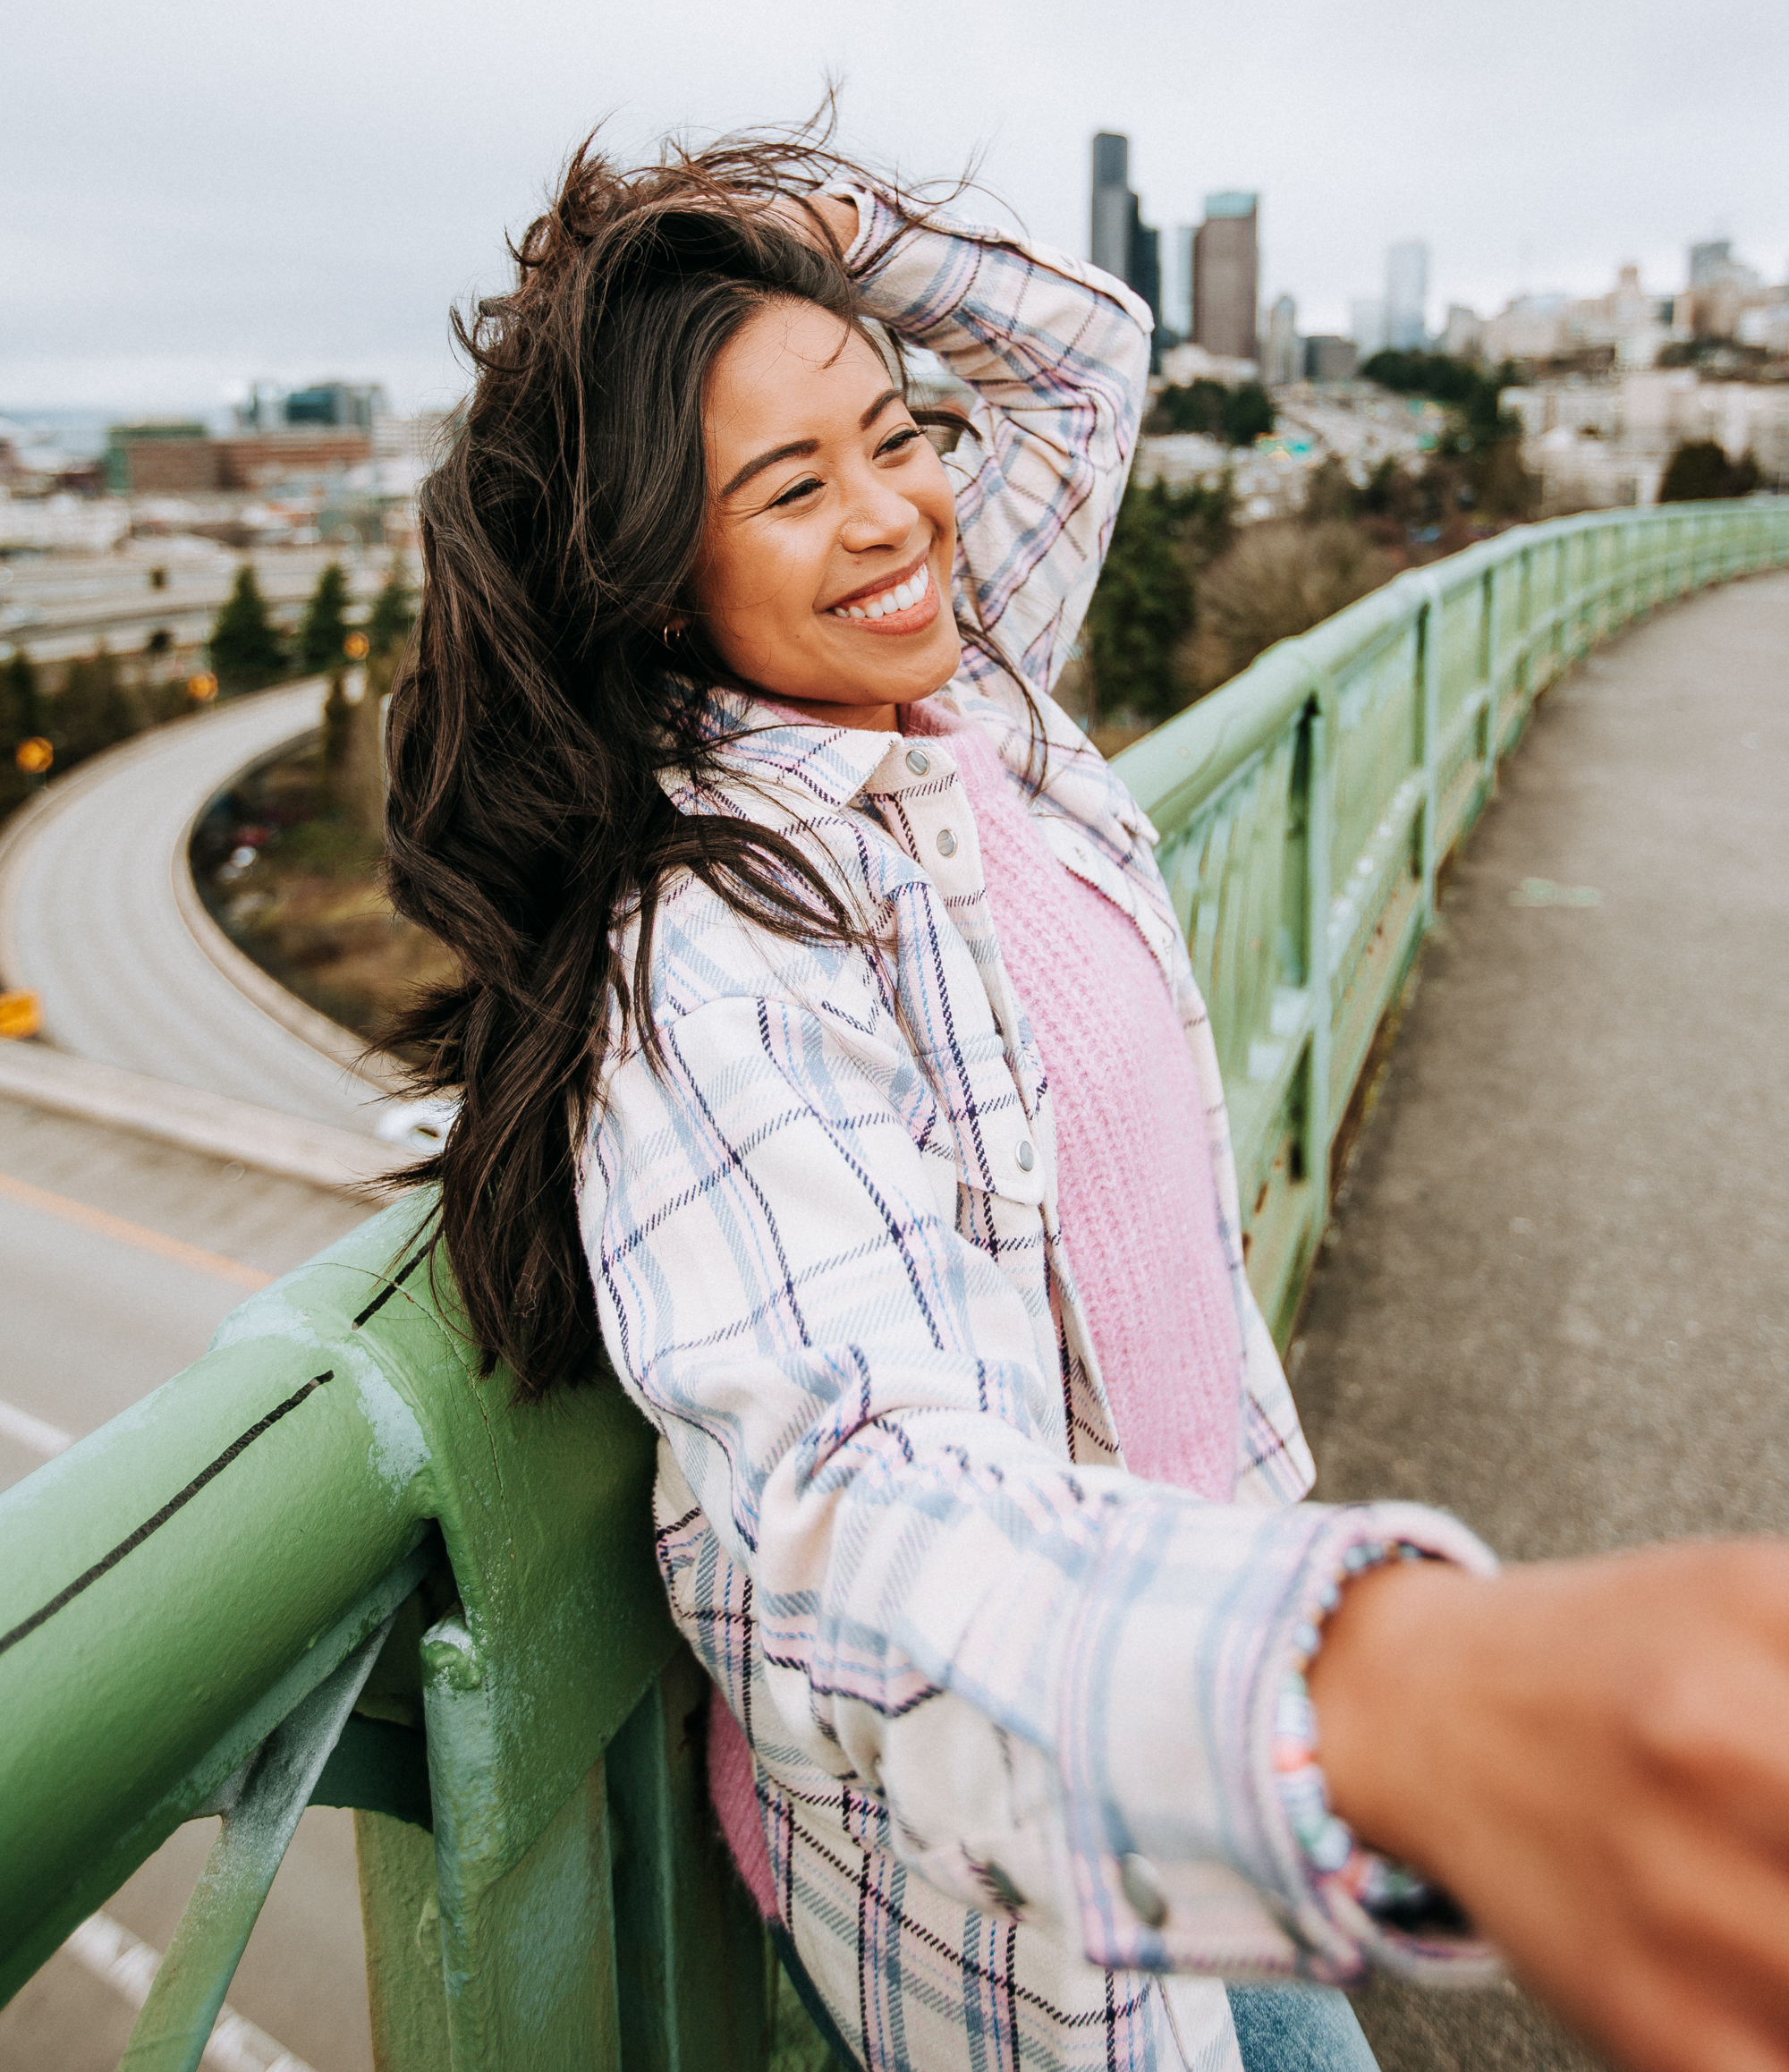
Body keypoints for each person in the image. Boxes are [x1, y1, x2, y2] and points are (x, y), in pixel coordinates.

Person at [385, 129, 1789, 2072]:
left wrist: (810, 230)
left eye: (899, 434)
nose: (896, 515)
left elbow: (1081, 358)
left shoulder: (965, 707)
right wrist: (1382, 1694)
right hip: (1037, 1892)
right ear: (645, 577)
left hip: (1209, 1716)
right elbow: (842, 1523)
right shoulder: (714, 939)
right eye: (791, 485)